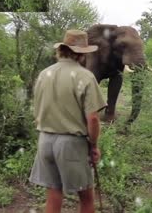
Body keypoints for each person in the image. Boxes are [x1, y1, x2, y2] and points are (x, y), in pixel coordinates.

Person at [29, 29, 107, 213]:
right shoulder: (85, 76)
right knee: (87, 197)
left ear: (62, 50)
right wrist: (94, 145)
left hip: (45, 141)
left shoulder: (44, 74)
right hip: (71, 144)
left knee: (54, 193)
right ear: (81, 54)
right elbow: (93, 118)